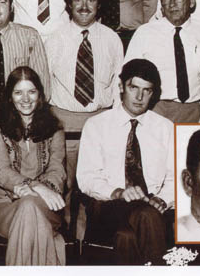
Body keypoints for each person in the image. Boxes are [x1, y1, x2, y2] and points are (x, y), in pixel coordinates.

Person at [77, 59, 175, 265]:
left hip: (153, 206)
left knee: (127, 237)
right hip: (108, 205)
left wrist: (163, 199)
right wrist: (118, 192)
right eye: (134, 88)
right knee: (146, 215)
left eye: (147, 91)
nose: (139, 97)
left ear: (154, 93)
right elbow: (87, 177)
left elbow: (175, 178)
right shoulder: (97, 125)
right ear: (121, 87)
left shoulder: (165, 128)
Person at [44, 0, 123, 228]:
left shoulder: (112, 39)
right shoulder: (54, 39)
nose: (84, 6)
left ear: (99, 5)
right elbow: (45, 87)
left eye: (91, 0)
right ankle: (64, 241)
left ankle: (86, 243)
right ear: (69, 4)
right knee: (63, 189)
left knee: (97, 189)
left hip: (100, 124)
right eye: (78, 0)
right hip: (64, 125)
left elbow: (118, 86)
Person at [0, 66, 67, 265]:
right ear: (10, 97)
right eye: (18, 92)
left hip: (47, 203)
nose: (25, 99)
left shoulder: (55, 128)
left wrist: (40, 191)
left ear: (40, 94)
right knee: (28, 205)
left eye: (31, 91)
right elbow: (2, 172)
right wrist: (37, 187)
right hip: (5, 205)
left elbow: (57, 170)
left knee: (29, 204)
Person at [125, 0, 200, 123]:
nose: (171, 4)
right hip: (154, 113)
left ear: (191, 1)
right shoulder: (145, 33)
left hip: (193, 112)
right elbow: (127, 79)